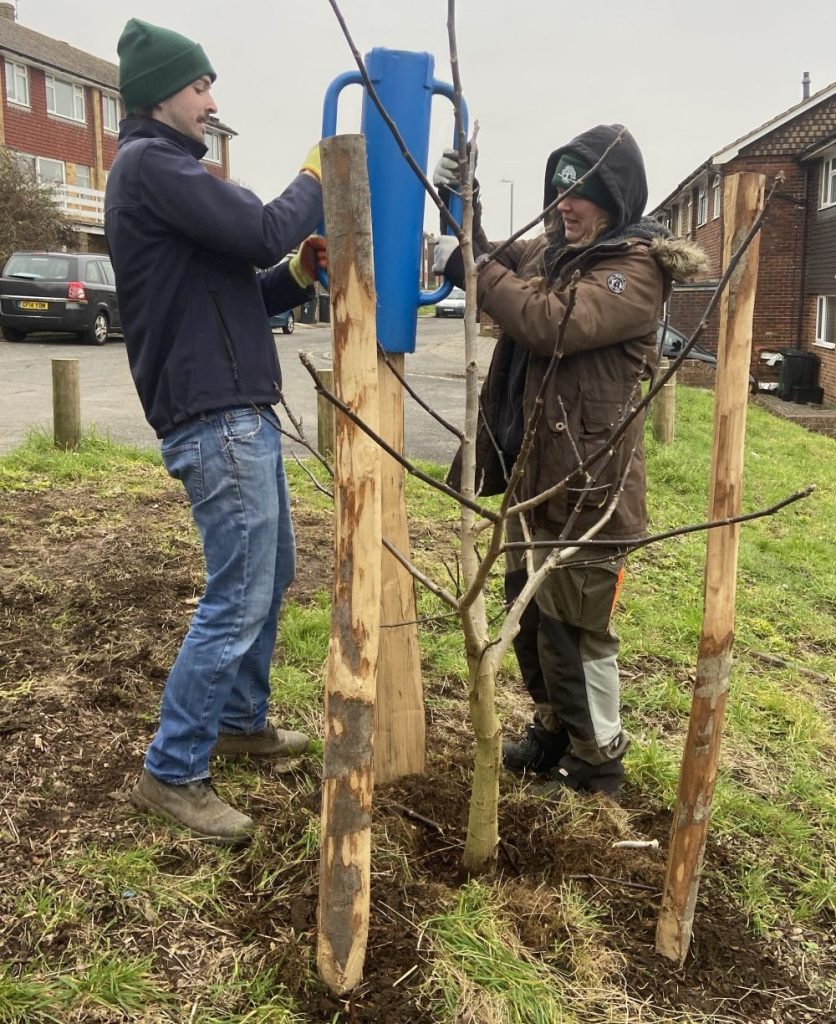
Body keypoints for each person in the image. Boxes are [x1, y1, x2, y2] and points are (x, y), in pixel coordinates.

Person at [433, 125, 705, 798]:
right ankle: (554, 728)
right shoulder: (554, 253)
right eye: (558, 188)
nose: (564, 203)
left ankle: (597, 764)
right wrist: (460, 200)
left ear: (614, 199)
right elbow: (485, 258)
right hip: (535, 483)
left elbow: (549, 322)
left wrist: (474, 266)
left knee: (575, 634)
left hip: (588, 494)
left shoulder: (633, 271)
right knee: (529, 622)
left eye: (580, 191)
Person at [105, 18, 327, 844]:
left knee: (271, 572)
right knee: (238, 592)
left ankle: (238, 721)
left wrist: (295, 275)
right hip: (215, 415)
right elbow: (262, 227)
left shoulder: (167, 180)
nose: (211, 101)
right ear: (160, 93)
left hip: (236, 408)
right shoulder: (150, 166)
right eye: (201, 86)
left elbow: (245, 288)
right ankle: (172, 771)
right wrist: (317, 172)